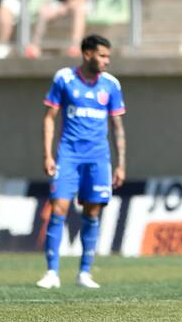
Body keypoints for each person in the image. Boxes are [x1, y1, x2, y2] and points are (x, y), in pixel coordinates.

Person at [36, 35, 127, 290]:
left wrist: (120, 164)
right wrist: (47, 154)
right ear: (87, 54)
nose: (107, 61)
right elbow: (49, 118)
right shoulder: (64, 79)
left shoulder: (111, 85)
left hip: (98, 157)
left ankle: (84, 272)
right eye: (102, 55)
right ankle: (52, 273)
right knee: (58, 209)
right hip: (69, 155)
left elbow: (117, 126)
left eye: (108, 56)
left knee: (93, 212)